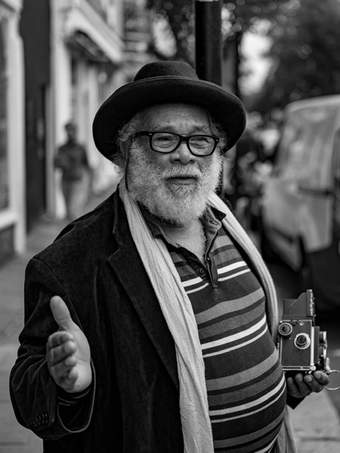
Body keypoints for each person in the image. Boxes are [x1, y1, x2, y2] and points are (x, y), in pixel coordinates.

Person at [10, 61, 329, 453]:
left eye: (200, 140)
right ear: (127, 150)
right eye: (164, 139)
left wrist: (286, 381)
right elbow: (29, 397)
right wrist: (68, 386)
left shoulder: (229, 225)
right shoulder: (70, 262)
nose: (185, 156)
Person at [55, 121, 91, 220]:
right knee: (68, 211)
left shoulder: (80, 148)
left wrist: (88, 185)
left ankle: (76, 232)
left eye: (72, 130)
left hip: (77, 182)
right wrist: (60, 162)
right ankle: (70, 232)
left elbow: (86, 165)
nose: (70, 133)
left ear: (76, 131)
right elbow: (56, 165)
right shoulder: (62, 148)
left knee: (73, 210)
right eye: (68, 130)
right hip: (65, 181)